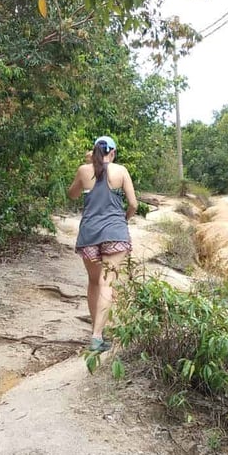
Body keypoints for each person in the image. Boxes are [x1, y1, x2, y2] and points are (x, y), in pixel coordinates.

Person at [67, 135, 137, 351]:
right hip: (115, 234)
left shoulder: (83, 170)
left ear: (94, 151)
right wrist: (122, 220)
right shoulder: (121, 171)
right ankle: (97, 336)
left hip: (89, 234)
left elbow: (72, 195)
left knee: (94, 282)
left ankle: (95, 332)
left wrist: (89, 165)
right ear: (113, 152)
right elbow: (133, 204)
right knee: (107, 283)